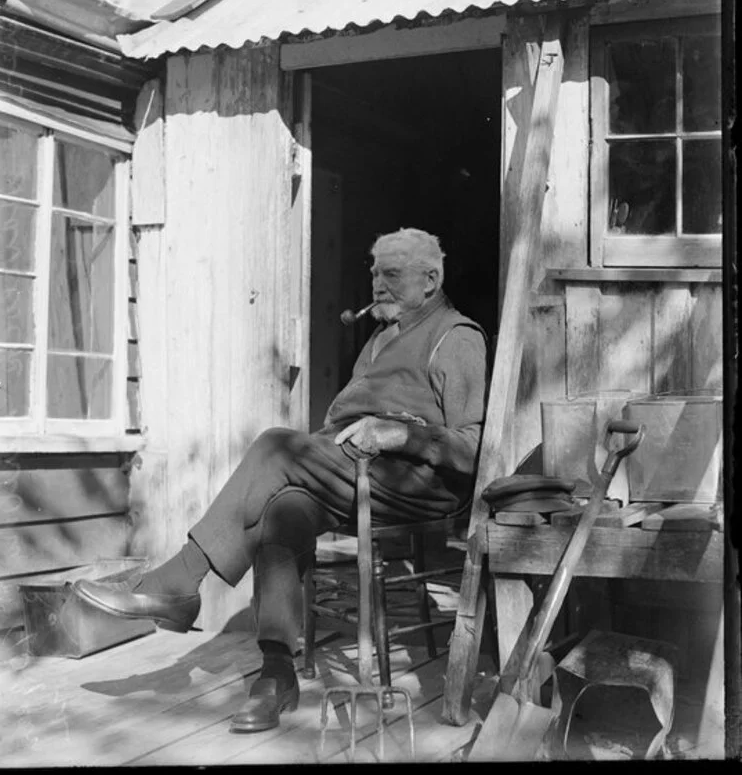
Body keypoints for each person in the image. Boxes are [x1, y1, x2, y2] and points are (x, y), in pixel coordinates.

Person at [74, 227, 488, 733]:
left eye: (393, 274)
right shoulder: (381, 337)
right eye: (375, 272)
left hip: (417, 486)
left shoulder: (457, 336)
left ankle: (180, 579)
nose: (378, 284)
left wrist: (399, 434)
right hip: (355, 471)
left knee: (274, 443)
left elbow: (473, 448)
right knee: (280, 512)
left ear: (431, 279)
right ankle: (275, 676)